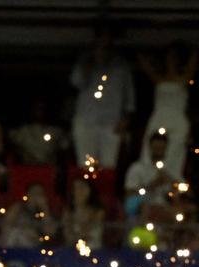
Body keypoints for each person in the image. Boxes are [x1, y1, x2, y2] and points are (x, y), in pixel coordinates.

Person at [70, 29, 135, 169]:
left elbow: (129, 96)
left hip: (112, 123)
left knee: (108, 165)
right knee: (85, 164)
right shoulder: (84, 62)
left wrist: (126, 119)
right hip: (86, 120)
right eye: (100, 44)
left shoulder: (121, 66)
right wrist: (89, 63)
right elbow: (76, 82)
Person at [136, 42, 196, 178]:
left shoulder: (185, 78)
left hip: (177, 121)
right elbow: (145, 65)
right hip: (159, 118)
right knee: (149, 150)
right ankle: (146, 180)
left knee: (174, 153)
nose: (171, 61)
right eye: (169, 57)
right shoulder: (159, 79)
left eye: (174, 57)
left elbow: (193, 61)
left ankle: (171, 182)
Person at [124, 131, 182, 219]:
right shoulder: (137, 168)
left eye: (161, 148)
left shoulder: (171, 169)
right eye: (156, 148)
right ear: (150, 147)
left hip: (165, 206)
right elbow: (129, 193)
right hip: (143, 206)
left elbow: (179, 191)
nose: (159, 151)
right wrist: (153, 185)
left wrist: (173, 184)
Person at [9, 99, 66, 166]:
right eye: (37, 108)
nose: (39, 112)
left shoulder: (55, 131)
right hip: (28, 169)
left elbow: (64, 147)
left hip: (49, 168)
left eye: (42, 108)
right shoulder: (23, 131)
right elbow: (13, 144)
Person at [61, 176, 107, 249]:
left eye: (83, 187)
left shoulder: (98, 212)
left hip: (94, 250)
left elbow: (87, 231)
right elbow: (68, 237)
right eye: (77, 188)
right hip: (72, 252)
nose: (80, 191)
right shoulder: (68, 213)